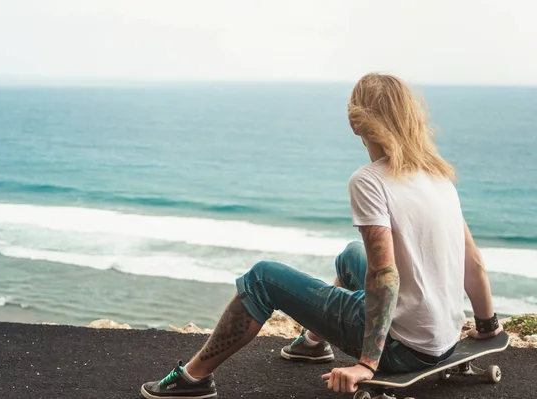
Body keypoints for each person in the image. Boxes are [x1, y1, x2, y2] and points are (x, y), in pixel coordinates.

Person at [140, 73, 503, 398]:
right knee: (350, 256)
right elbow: (472, 261)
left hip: (400, 347)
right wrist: (487, 327)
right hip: (442, 342)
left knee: (262, 277)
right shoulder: (437, 176)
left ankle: (192, 379)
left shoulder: (369, 180)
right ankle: (313, 344)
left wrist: (367, 364)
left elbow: (385, 276)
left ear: (354, 124)